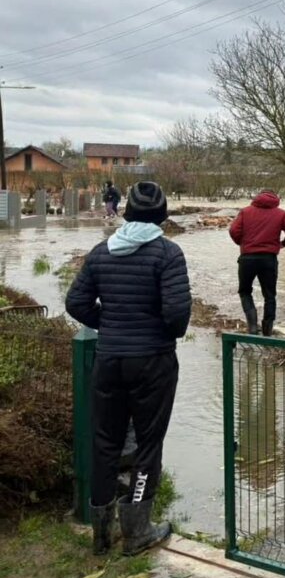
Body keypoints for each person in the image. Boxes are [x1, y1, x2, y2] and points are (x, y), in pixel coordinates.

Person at [65, 181, 191, 556]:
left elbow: (76, 302)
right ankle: (136, 534)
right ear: (162, 216)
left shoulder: (102, 252)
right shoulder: (168, 254)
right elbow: (177, 315)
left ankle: (101, 537)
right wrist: (153, 329)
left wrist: (112, 324)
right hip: (153, 362)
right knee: (147, 445)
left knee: (105, 443)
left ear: (128, 212)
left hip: (109, 361)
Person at [229, 189, 285, 335]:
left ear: (257, 197)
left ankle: (252, 326)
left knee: (245, 292)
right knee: (269, 295)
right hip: (269, 259)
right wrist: (283, 244)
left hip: (247, 258)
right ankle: (267, 330)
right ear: (275, 199)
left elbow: (233, 231)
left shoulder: (245, 212)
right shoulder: (281, 214)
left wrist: (242, 243)